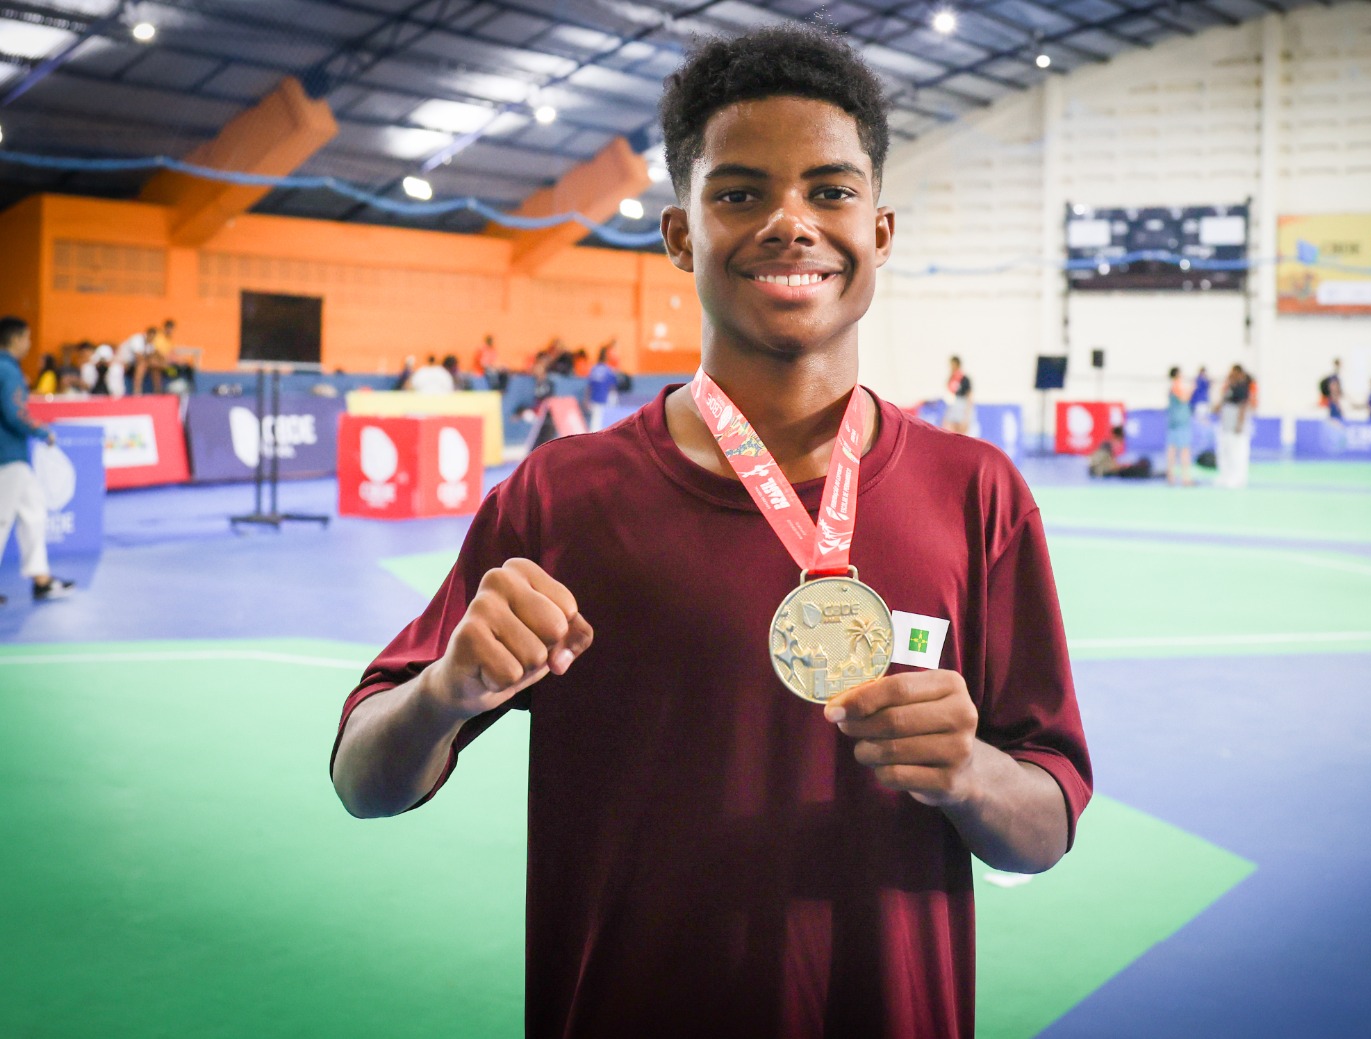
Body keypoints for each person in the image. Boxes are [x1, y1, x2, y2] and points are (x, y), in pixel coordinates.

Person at [329, 26, 1091, 1038]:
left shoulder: (977, 492)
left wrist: (969, 773)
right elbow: (363, 779)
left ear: (882, 228)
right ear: (681, 234)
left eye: (830, 190)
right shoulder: (560, 495)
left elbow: (1041, 827)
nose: (790, 222)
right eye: (739, 193)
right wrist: (440, 692)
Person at [0, 317, 76, 604]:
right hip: (7, 457)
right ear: (16, 338)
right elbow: (13, 411)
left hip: (14, 456)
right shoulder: (7, 370)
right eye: (27, 338)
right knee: (2, 519)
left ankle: (41, 578)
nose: (29, 344)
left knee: (34, 511)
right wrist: (42, 431)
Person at [1213, 364, 1254, 489]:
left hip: (1237, 427)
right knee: (1225, 452)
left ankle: (1239, 478)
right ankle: (1226, 475)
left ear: (1239, 373)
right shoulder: (1229, 387)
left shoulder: (1243, 388)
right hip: (1226, 425)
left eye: (1233, 372)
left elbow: (1243, 407)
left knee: (1238, 453)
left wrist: (1239, 425)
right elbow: (1219, 406)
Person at [1165, 365, 1193, 485]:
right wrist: (1192, 389)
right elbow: (1184, 399)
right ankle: (1184, 478)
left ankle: (1171, 476)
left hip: (1175, 422)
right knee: (1183, 450)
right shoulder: (1176, 386)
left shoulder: (1172, 388)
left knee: (1172, 449)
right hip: (1180, 423)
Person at [117, 325, 163, 395]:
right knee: (142, 365)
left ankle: (158, 391)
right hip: (122, 362)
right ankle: (137, 391)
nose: (153, 339)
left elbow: (152, 358)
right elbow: (139, 358)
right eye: (152, 336)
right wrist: (152, 362)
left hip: (133, 364)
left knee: (155, 368)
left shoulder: (151, 344)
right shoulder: (137, 339)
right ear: (148, 334)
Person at [942, 354, 972, 435]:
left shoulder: (964, 379)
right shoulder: (951, 378)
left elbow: (969, 396)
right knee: (948, 428)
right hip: (953, 405)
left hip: (962, 405)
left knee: (961, 431)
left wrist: (967, 414)